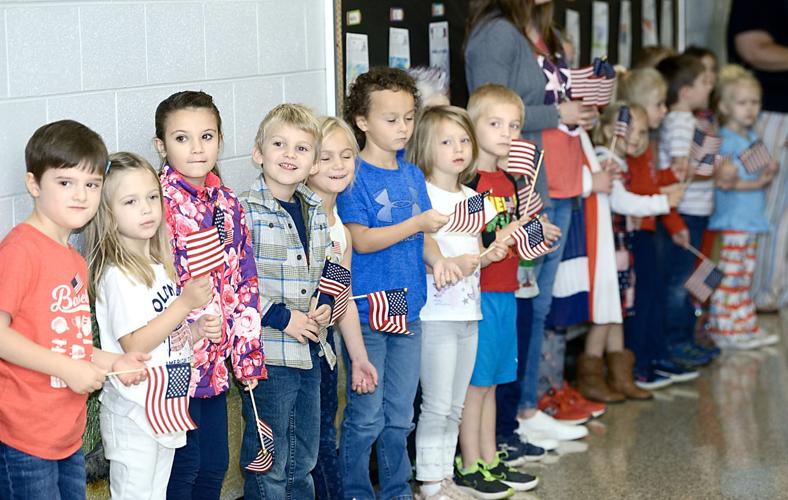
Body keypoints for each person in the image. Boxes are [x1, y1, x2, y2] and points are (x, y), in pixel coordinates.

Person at [464, 0, 598, 449]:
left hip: (555, 180)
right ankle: (512, 418)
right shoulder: (497, 32)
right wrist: (560, 114)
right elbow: (488, 112)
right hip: (525, 180)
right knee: (521, 301)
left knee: (535, 303)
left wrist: (578, 109)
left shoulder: (544, 30)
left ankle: (527, 407)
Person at [0, 120, 149, 499]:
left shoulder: (73, 260)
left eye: (92, 184)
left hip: (67, 433)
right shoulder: (20, 251)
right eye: (65, 182)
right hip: (24, 437)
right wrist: (68, 370)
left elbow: (70, 344)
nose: (81, 195)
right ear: (34, 184)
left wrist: (113, 362)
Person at [337, 66, 464, 500]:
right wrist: (416, 224)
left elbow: (424, 236)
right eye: (391, 119)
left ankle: (395, 490)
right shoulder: (353, 174)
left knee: (399, 415)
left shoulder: (410, 173)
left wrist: (439, 259)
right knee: (367, 415)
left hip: (409, 309)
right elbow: (361, 239)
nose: (403, 127)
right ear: (363, 121)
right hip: (369, 309)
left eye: (409, 117)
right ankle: (354, 490)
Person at [155, 90, 266, 499]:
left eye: (206, 136)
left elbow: (244, 281)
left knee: (215, 463)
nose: (196, 148)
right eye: (182, 138)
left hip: (216, 363)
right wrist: (187, 329)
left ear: (220, 140)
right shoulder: (157, 205)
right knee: (184, 465)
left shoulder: (228, 202)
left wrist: (247, 355)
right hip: (177, 360)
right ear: (161, 145)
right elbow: (155, 285)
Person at [85, 152, 215, 499]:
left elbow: (163, 331)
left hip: (163, 404)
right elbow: (135, 345)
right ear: (108, 215)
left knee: (156, 492)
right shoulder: (119, 275)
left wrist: (195, 329)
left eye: (152, 197)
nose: (146, 208)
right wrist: (185, 304)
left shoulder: (157, 266)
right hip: (134, 411)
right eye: (130, 201)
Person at [408, 105, 510, 499]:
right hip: (435, 314)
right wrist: (446, 263)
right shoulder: (422, 194)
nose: (459, 148)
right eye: (447, 141)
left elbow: (475, 251)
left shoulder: (474, 198)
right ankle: (430, 482)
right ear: (426, 147)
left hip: (470, 311)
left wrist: (491, 255)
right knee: (435, 403)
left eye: (464, 139)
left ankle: (444, 477)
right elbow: (421, 246)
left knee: (455, 404)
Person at [582, 103, 685, 401]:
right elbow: (622, 202)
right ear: (608, 130)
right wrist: (662, 203)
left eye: (642, 132)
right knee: (605, 312)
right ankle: (591, 374)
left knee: (617, 310)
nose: (638, 138)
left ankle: (620, 374)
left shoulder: (620, 161)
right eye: (632, 131)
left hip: (620, 247)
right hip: (606, 248)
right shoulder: (606, 158)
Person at [306, 116, 379, 500]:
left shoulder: (341, 231)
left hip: (323, 352)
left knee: (323, 439)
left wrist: (360, 357)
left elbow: (343, 297)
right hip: (291, 351)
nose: (338, 165)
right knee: (306, 449)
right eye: (326, 157)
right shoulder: (299, 218)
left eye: (346, 156)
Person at [617, 68, 702, 389]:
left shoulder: (646, 146)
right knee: (642, 301)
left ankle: (655, 356)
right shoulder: (634, 150)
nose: (664, 111)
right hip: (636, 235)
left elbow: (653, 184)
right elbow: (642, 193)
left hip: (649, 232)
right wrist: (665, 192)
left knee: (651, 299)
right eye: (658, 105)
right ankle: (640, 364)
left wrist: (669, 177)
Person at [707, 65, 779, 349]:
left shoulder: (750, 137)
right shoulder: (723, 139)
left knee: (744, 275)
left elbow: (763, 168)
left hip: (750, 219)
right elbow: (726, 182)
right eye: (742, 103)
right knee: (730, 275)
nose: (750, 109)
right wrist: (759, 181)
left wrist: (768, 169)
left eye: (755, 103)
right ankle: (725, 327)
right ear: (725, 105)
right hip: (733, 219)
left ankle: (744, 323)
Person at [656, 54, 717, 368]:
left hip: (695, 209)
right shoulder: (680, 121)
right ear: (685, 91)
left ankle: (685, 337)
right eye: (704, 82)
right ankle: (676, 342)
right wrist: (715, 167)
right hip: (686, 210)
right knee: (678, 281)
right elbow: (682, 168)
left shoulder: (688, 119)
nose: (711, 87)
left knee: (687, 277)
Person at [727, 0, 788, 312]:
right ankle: (759, 296)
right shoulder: (739, 135)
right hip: (775, 112)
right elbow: (752, 47)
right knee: (769, 212)